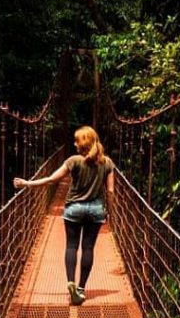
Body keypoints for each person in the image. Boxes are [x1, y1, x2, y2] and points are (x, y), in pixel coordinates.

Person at [13, 126, 115, 305]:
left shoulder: (73, 161)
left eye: (76, 140)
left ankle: (71, 283)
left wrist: (27, 183)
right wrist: (109, 212)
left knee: (71, 246)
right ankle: (82, 289)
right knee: (88, 248)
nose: (74, 144)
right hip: (96, 210)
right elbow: (111, 191)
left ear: (83, 143)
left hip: (74, 209)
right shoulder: (107, 163)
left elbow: (52, 179)